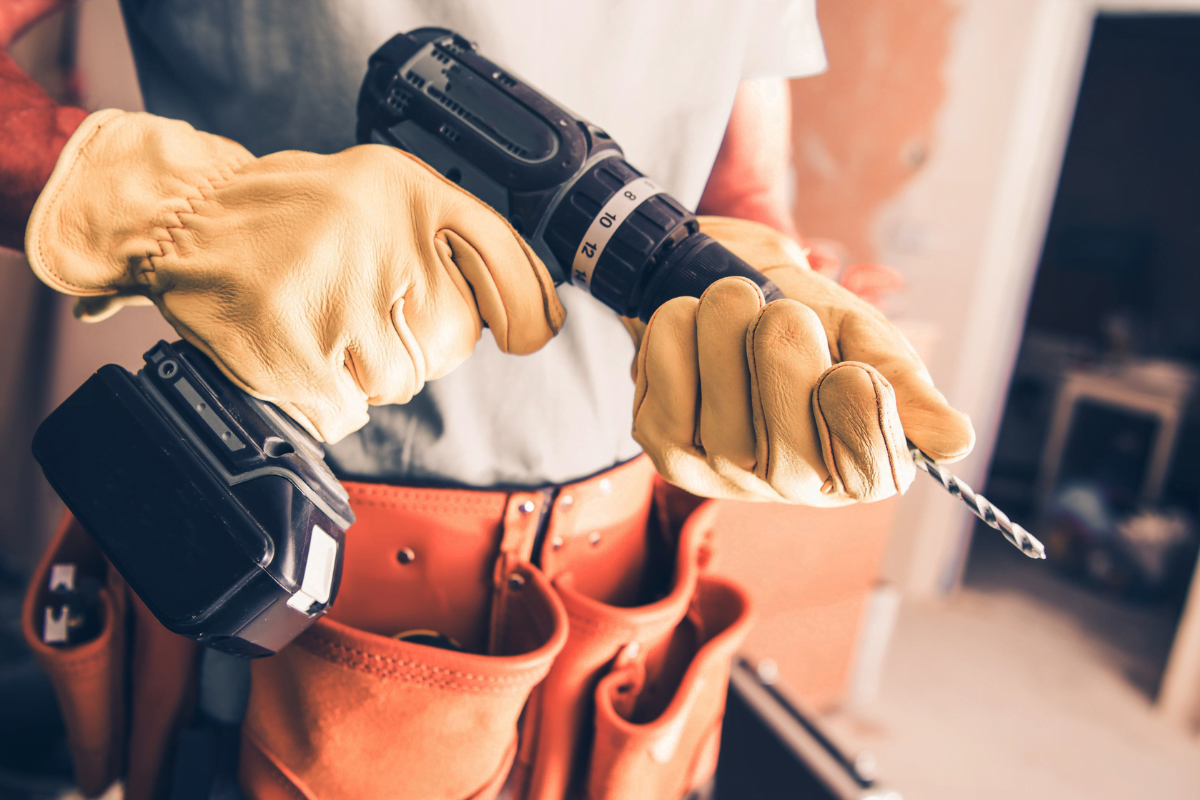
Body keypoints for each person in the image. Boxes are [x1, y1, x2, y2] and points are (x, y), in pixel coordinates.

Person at [2, 2, 976, 799]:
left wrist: (762, 299)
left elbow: (746, 182)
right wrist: (155, 205)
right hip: (297, 599)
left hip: (618, 604)